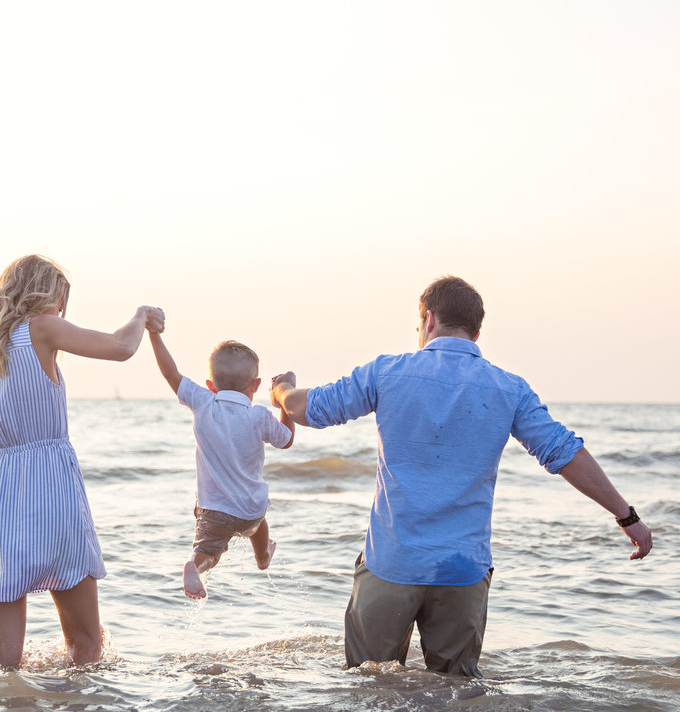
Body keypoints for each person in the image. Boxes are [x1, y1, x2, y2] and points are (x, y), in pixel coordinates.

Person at [268, 275, 653, 677]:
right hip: (462, 570)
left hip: (392, 563)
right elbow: (564, 452)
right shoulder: (510, 388)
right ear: (477, 330)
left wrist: (281, 390)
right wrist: (627, 517)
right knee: (455, 698)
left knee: (370, 686)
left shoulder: (386, 372)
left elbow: (307, 409)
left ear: (428, 320)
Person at [0, 254, 164, 669]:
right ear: (44, 297)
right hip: (52, 488)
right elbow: (121, 347)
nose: (61, 313)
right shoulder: (42, 327)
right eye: (59, 303)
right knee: (86, 645)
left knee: (2, 660)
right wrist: (141, 315)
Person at [148, 325, 294, 598]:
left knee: (210, 553)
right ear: (256, 385)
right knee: (258, 525)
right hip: (251, 508)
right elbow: (286, 439)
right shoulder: (259, 416)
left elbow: (170, 373)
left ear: (210, 385)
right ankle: (262, 556)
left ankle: (195, 566)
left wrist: (154, 334)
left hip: (213, 511)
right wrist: (286, 401)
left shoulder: (203, 402)